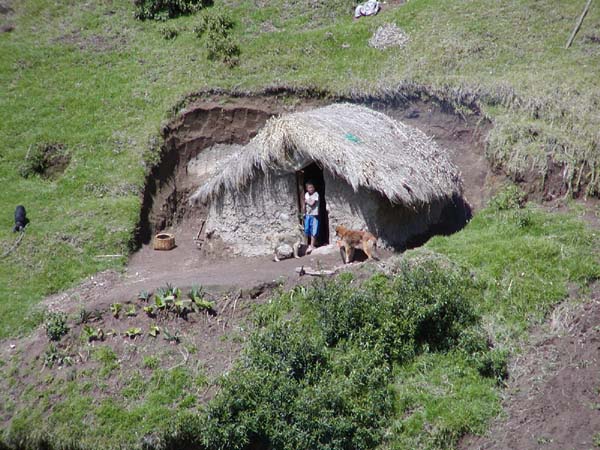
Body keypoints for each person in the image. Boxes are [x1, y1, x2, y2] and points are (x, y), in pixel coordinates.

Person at [304, 181, 319, 254]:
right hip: (308, 214)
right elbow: (307, 202)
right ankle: (309, 244)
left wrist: (307, 201)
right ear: (307, 189)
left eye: (312, 187)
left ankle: (312, 245)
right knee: (307, 229)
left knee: (314, 230)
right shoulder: (306, 194)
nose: (311, 189)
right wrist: (307, 201)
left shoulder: (316, 194)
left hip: (314, 215)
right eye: (309, 187)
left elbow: (312, 203)